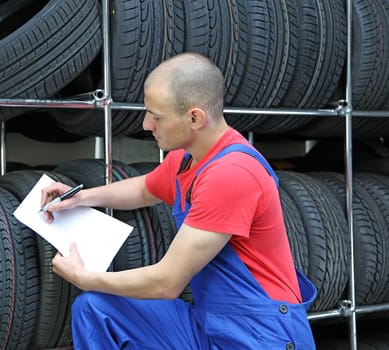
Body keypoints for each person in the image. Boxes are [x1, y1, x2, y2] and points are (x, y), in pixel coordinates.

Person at [41, 53, 317, 349]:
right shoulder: (188, 159)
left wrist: (86, 277)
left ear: (195, 118)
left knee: (93, 293)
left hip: (262, 333)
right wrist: (81, 197)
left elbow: (167, 282)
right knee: (95, 309)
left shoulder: (231, 174)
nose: (146, 124)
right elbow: (145, 190)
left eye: (156, 116)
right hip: (209, 322)